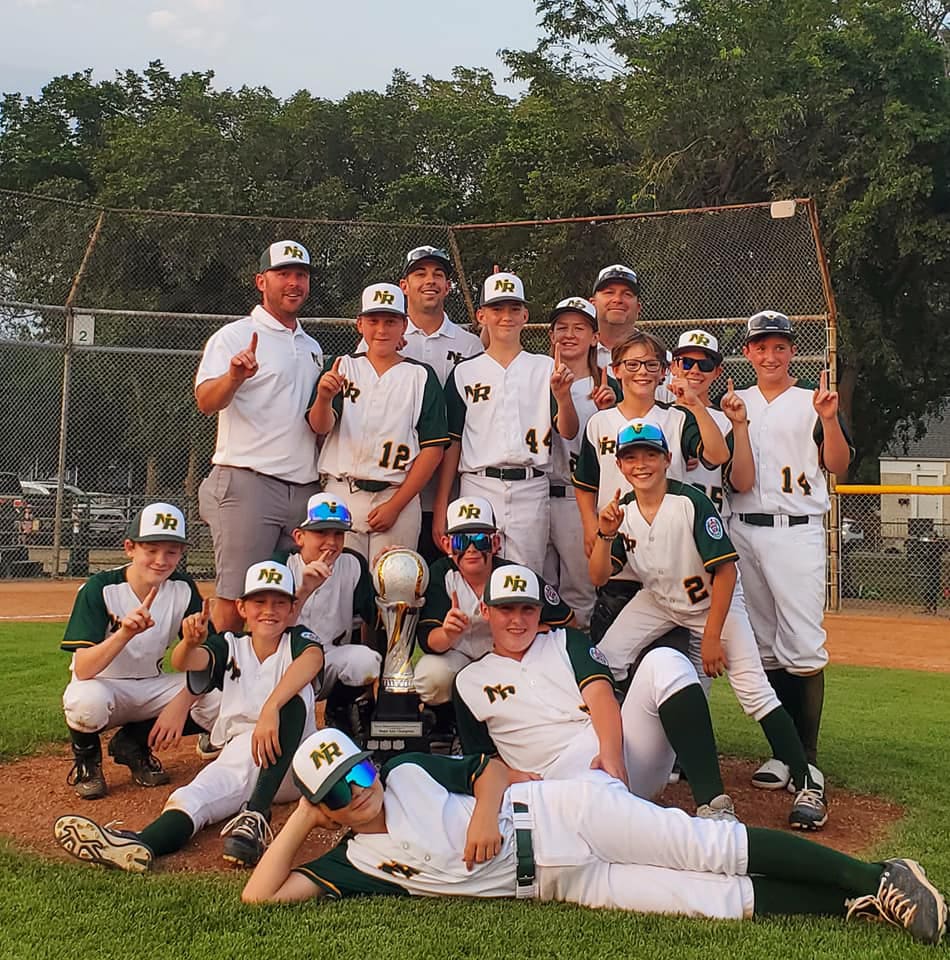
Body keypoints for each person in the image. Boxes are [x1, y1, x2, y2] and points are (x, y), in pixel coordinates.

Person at [238, 729, 947, 949]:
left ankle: (876, 874)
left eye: (356, 770)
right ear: (324, 810)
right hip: (560, 883)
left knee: (712, 848)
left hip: (563, 815)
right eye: (338, 791)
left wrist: (485, 811)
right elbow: (259, 895)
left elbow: (488, 770)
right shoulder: (356, 861)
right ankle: (859, 902)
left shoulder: (407, 772)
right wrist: (302, 814)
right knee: (710, 902)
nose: (357, 790)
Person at [589, 420, 827, 830]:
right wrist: (604, 534)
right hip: (660, 600)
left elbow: (726, 573)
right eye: (632, 457)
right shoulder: (621, 510)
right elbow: (596, 577)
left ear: (667, 460)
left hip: (713, 602)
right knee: (605, 658)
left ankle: (809, 784)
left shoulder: (690, 502)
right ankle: (605, 756)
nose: (641, 464)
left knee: (753, 692)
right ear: (621, 465)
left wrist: (713, 635)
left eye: (650, 455)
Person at [54, 561, 324, 870]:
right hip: (243, 752)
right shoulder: (230, 644)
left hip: (297, 761)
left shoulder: (299, 639)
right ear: (242, 607)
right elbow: (187, 662)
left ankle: (256, 814)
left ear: (292, 609)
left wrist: (271, 707)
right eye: (259, 602)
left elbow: (312, 661)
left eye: (279, 603)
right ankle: (140, 844)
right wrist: (190, 642)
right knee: (193, 797)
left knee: (293, 695)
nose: (269, 610)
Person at [453, 564, 735, 820]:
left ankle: (714, 806)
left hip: (620, 752)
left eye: (527, 609)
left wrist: (611, 754)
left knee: (667, 661)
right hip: (560, 777)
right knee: (615, 809)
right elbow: (484, 758)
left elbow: (601, 697)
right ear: (485, 610)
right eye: (506, 609)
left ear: (540, 610)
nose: (518, 619)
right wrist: (512, 776)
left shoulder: (565, 640)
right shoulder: (468, 681)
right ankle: (692, 841)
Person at [729, 311, 853, 793]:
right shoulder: (735, 404)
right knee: (764, 645)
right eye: (761, 346)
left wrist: (828, 419)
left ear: (792, 351)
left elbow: (838, 464)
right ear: (748, 353)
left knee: (802, 644)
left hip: (796, 528)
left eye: (779, 346)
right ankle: (782, 754)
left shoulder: (813, 402)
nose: (770, 355)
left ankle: (809, 757)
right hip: (744, 528)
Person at [196, 240, 323, 633]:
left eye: (300, 274)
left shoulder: (312, 345)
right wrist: (234, 377)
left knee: (295, 600)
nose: (293, 282)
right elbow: (205, 400)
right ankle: (222, 690)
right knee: (236, 601)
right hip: (248, 481)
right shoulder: (235, 336)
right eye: (282, 273)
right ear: (261, 281)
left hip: (303, 486)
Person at [572, 330, 729, 642]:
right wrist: (591, 526)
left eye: (650, 364)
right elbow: (586, 483)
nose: (641, 372)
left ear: (663, 371)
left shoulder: (677, 417)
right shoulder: (599, 422)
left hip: (670, 552)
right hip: (619, 545)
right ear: (615, 370)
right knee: (612, 651)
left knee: (668, 655)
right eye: (631, 365)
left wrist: (695, 404)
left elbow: (717, 455)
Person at [61, 502, 220, 800]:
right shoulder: (100, 588)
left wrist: (191, 649)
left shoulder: (183, 588)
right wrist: (124, 633)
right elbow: (83, 668)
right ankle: (87, 763)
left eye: (171, 551)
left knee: (221, 697)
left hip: (151, 685)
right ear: (130, 548)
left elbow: (215, 660)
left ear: (181, 553)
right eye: (151, 549)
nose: (161, 560)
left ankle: (133, 743)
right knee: (85, 701)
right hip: (104, 685)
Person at [435, 272, 578, 574]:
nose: (506, 317)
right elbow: (452, 443)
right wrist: (441, 507)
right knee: (474, 571)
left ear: (525, 314)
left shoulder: (544, 367)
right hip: (477, 483)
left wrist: (564, 397)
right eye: (497, 309)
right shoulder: (464, 372)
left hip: (531, 484)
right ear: (481, 315)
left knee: (527, 575)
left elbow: (568, 430)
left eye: (514, 309)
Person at [356, 246, 483, 563]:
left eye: (438, 274)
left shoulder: (469, 343)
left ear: (448, 286)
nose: (430, 281)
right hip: (394, 481)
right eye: (420, 273)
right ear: (404, 285)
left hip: (450, 483)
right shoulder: (380, 338)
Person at [308, 283, 449, 563]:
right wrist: (324, 398)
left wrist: (396, 506)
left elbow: (433, 449)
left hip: (397, 493)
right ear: (360, 324)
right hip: (342, 491)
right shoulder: (342, 366)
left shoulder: (421, 375)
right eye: (373, 321)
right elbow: (319, 427)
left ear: (404, 325)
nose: (382, 329)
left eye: (391, 321)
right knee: (339, 584)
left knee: (396, 589)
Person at [414, 496, 573, 732]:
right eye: (461, 541)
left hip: (506, 658)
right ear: (447, 545)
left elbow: (566, 622)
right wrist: (447, 633)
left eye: (480, 540)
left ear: (496, 543)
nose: (471, 549)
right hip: (460, 656)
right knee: (431, 676)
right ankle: (448, 722)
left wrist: (527, 634)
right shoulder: (440, 574)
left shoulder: (514, 575)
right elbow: (429, 641)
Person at [276, 492, 380, 739]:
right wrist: (304, 590)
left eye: (338, 534)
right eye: (321, 533)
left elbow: (375, 618)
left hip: (330, 657)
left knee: (366, 661)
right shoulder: (280, 567)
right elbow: (275, 629)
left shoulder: (352, 563)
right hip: (283, 662)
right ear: (299, 537)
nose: (331, 542)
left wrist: (387, 575)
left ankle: (341, 714)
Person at [544, 297, 618, 628]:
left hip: (581, 499)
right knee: (539, 589)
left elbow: (572, 434)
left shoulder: (607, 386)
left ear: (594, 337)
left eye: (579, 328)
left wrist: (611, 413)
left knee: (580, 595)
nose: (569, 335)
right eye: (562, 328)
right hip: (537, 491)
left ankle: (583, 672)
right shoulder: (536, 376)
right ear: (551, 335)